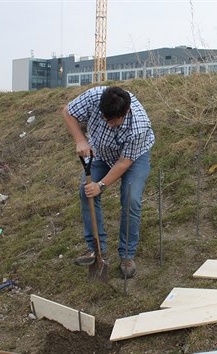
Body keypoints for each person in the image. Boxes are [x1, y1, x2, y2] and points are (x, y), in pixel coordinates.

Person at [62, 86, 154, 278]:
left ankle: (127, 255)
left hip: (132, 158)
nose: (109, 123)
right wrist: (80, 140)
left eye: (114, 121)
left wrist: (101, 185)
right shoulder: (94, 97)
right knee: (85, 191)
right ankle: (96, 248)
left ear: (126, 112)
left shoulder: (139, 125)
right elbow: (68, 112)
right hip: (100, 152)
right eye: (105, 118)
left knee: (131, 199)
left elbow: (123, 163)